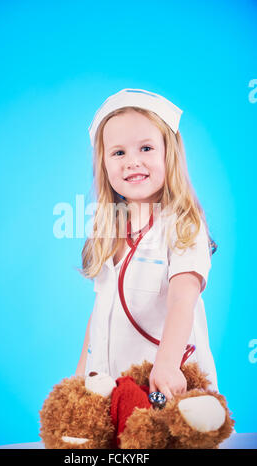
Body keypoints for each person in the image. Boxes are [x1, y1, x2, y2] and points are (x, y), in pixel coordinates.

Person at [75, 88, 219, 401]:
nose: (132, 162)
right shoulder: (109, 229)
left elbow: (183, 299)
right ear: (104, 164)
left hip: (164, 386)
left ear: (170, 153)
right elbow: (101, 312)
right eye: (118, 153)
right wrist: (80, 376)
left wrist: (167, 364)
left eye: (146, 148)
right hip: (112, 389)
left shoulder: (183, 225)